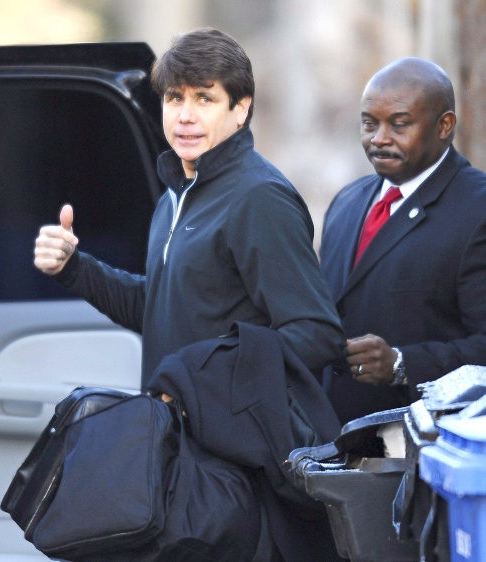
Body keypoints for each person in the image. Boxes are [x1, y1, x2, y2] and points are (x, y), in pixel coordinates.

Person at [34, 27, 345, 561]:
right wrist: (74, 269)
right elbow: (161, 308)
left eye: (205, 98)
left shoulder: (259, 197)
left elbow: (317, 333)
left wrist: (196, 378)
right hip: (179, 457)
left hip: (236, 471)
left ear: (241, 109)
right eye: (175, 98)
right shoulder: (175, 198)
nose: (185, 115)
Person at [319, 56, 486, 426]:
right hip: (331, 437)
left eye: (399, 124)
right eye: (369, 123)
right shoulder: (347, 202)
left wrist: (402, 364)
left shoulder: (478, 209)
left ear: (444, 126)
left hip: (426, 443)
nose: (379, 138)